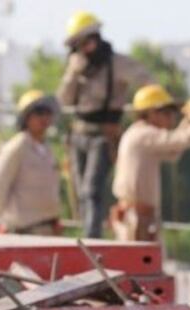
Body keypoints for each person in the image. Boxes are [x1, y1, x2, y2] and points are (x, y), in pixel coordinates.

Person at [57, 10, 154, 238]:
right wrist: (73, 73)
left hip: (103, 136)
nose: (85, 48)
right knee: (82, 192)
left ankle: (92, 240)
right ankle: (88, 232)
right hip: (78, 135)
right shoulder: (78, 68)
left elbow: (147, 82)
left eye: (88, 42)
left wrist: (142, 107)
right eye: (79, 45)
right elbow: (64, 100)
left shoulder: (118, 64)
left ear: (97, 38)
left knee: (92, 190)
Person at [111, 86, 190, 242]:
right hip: (137, 218)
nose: (171, 118)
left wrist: (189, 120)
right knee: (141, 264)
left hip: (136, 216)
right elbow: (182, 140)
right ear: (150, 113)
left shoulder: (138, 134)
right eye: (166, 112)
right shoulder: (145, 135)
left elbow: (174, 150)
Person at [0, 90, 61, 235]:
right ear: (26, 117)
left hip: (47, 230)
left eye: (47, 112)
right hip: (21, 232)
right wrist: (2, 221)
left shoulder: (47, 150)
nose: (45, 117)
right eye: (39, 112)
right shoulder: (16, 148)